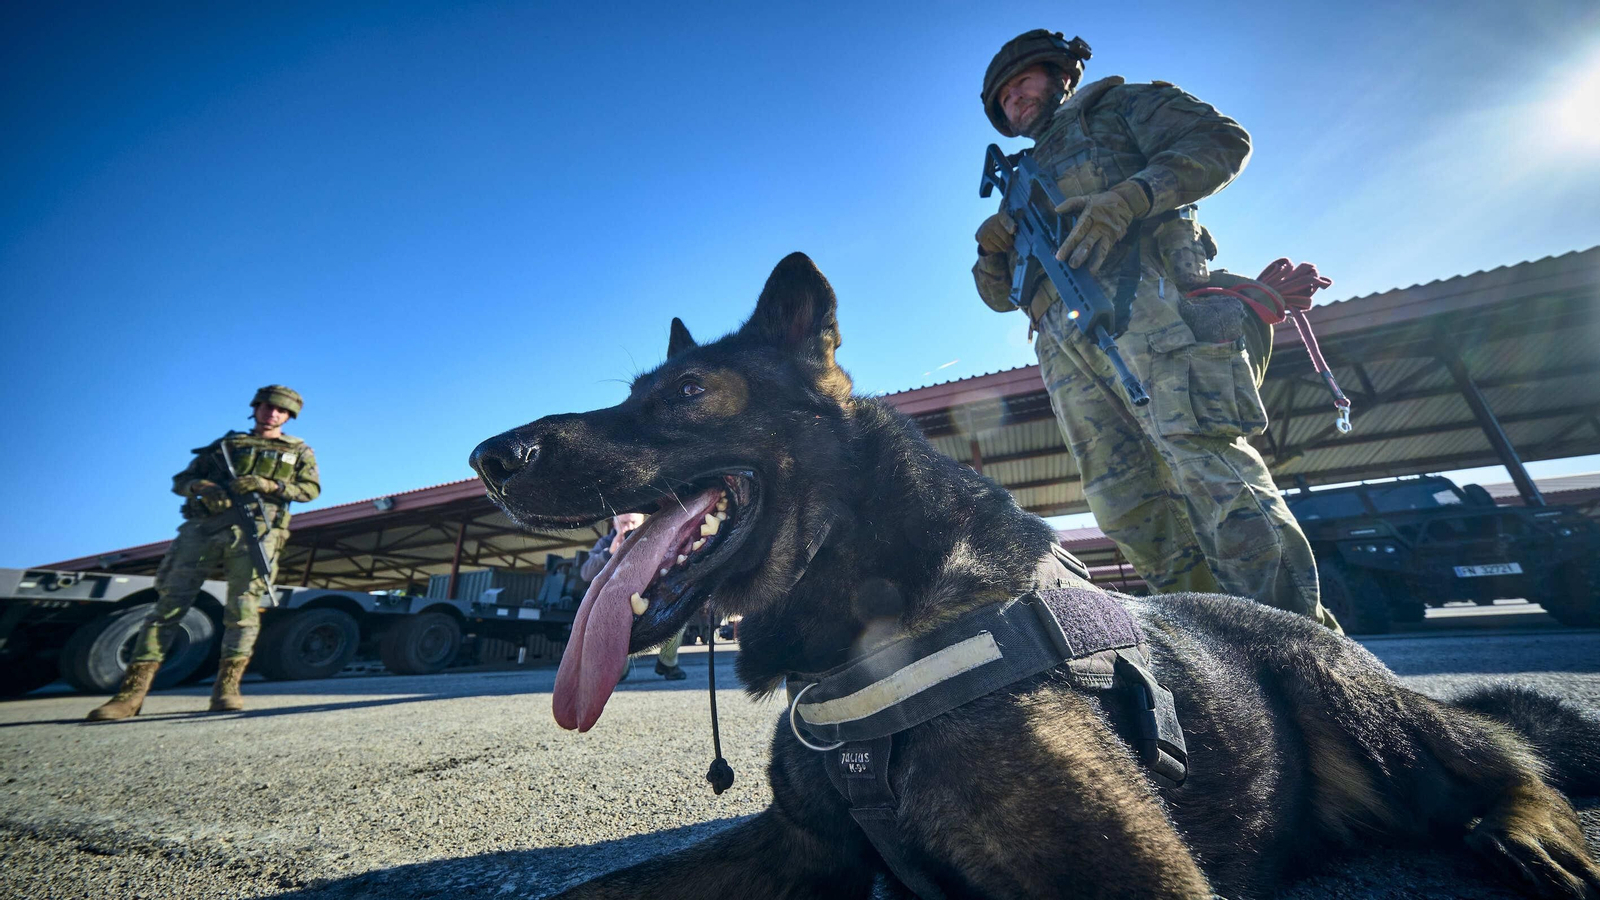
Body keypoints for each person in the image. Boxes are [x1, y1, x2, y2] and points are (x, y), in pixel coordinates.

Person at [972, 29, 1340, 630]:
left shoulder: (1118, 108)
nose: (1014, 97)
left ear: (1061, 74)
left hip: (1151, 311)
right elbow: (997, 298)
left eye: (1024, 80)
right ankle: (1222, 646)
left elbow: (1222, 142)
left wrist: (1130, 197)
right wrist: (990, 251)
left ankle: (1302, 647)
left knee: (1209, 468)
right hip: (1064, 350)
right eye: (1003, 94)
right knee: (1126, 507)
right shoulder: (1016, 185)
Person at [87, 385, 321, 720]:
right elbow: (182, 479)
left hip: (255, 533)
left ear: (288, 416)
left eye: (281, 411)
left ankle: (226, 689)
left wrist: (268, 485)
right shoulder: (225, 447)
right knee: (169, 605)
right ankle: (130, 694)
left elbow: (310, 490)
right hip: (204, 531)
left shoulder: (299, 450)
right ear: (256, 408)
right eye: (267, 407)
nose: (273, 414)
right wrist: (204, 487)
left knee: (243, 608)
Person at [581, 513, 688, 680]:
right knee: (617, 659)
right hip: (617, 605)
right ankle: (619, 670)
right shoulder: (605, 543)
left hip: (650, 600)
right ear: (614, 524)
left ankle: (668, 664)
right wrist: (609, 553)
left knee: (679, 618)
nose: (629, 528)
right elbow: (586, 573)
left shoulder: (657, 538)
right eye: (624, 523)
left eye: (633, 522)